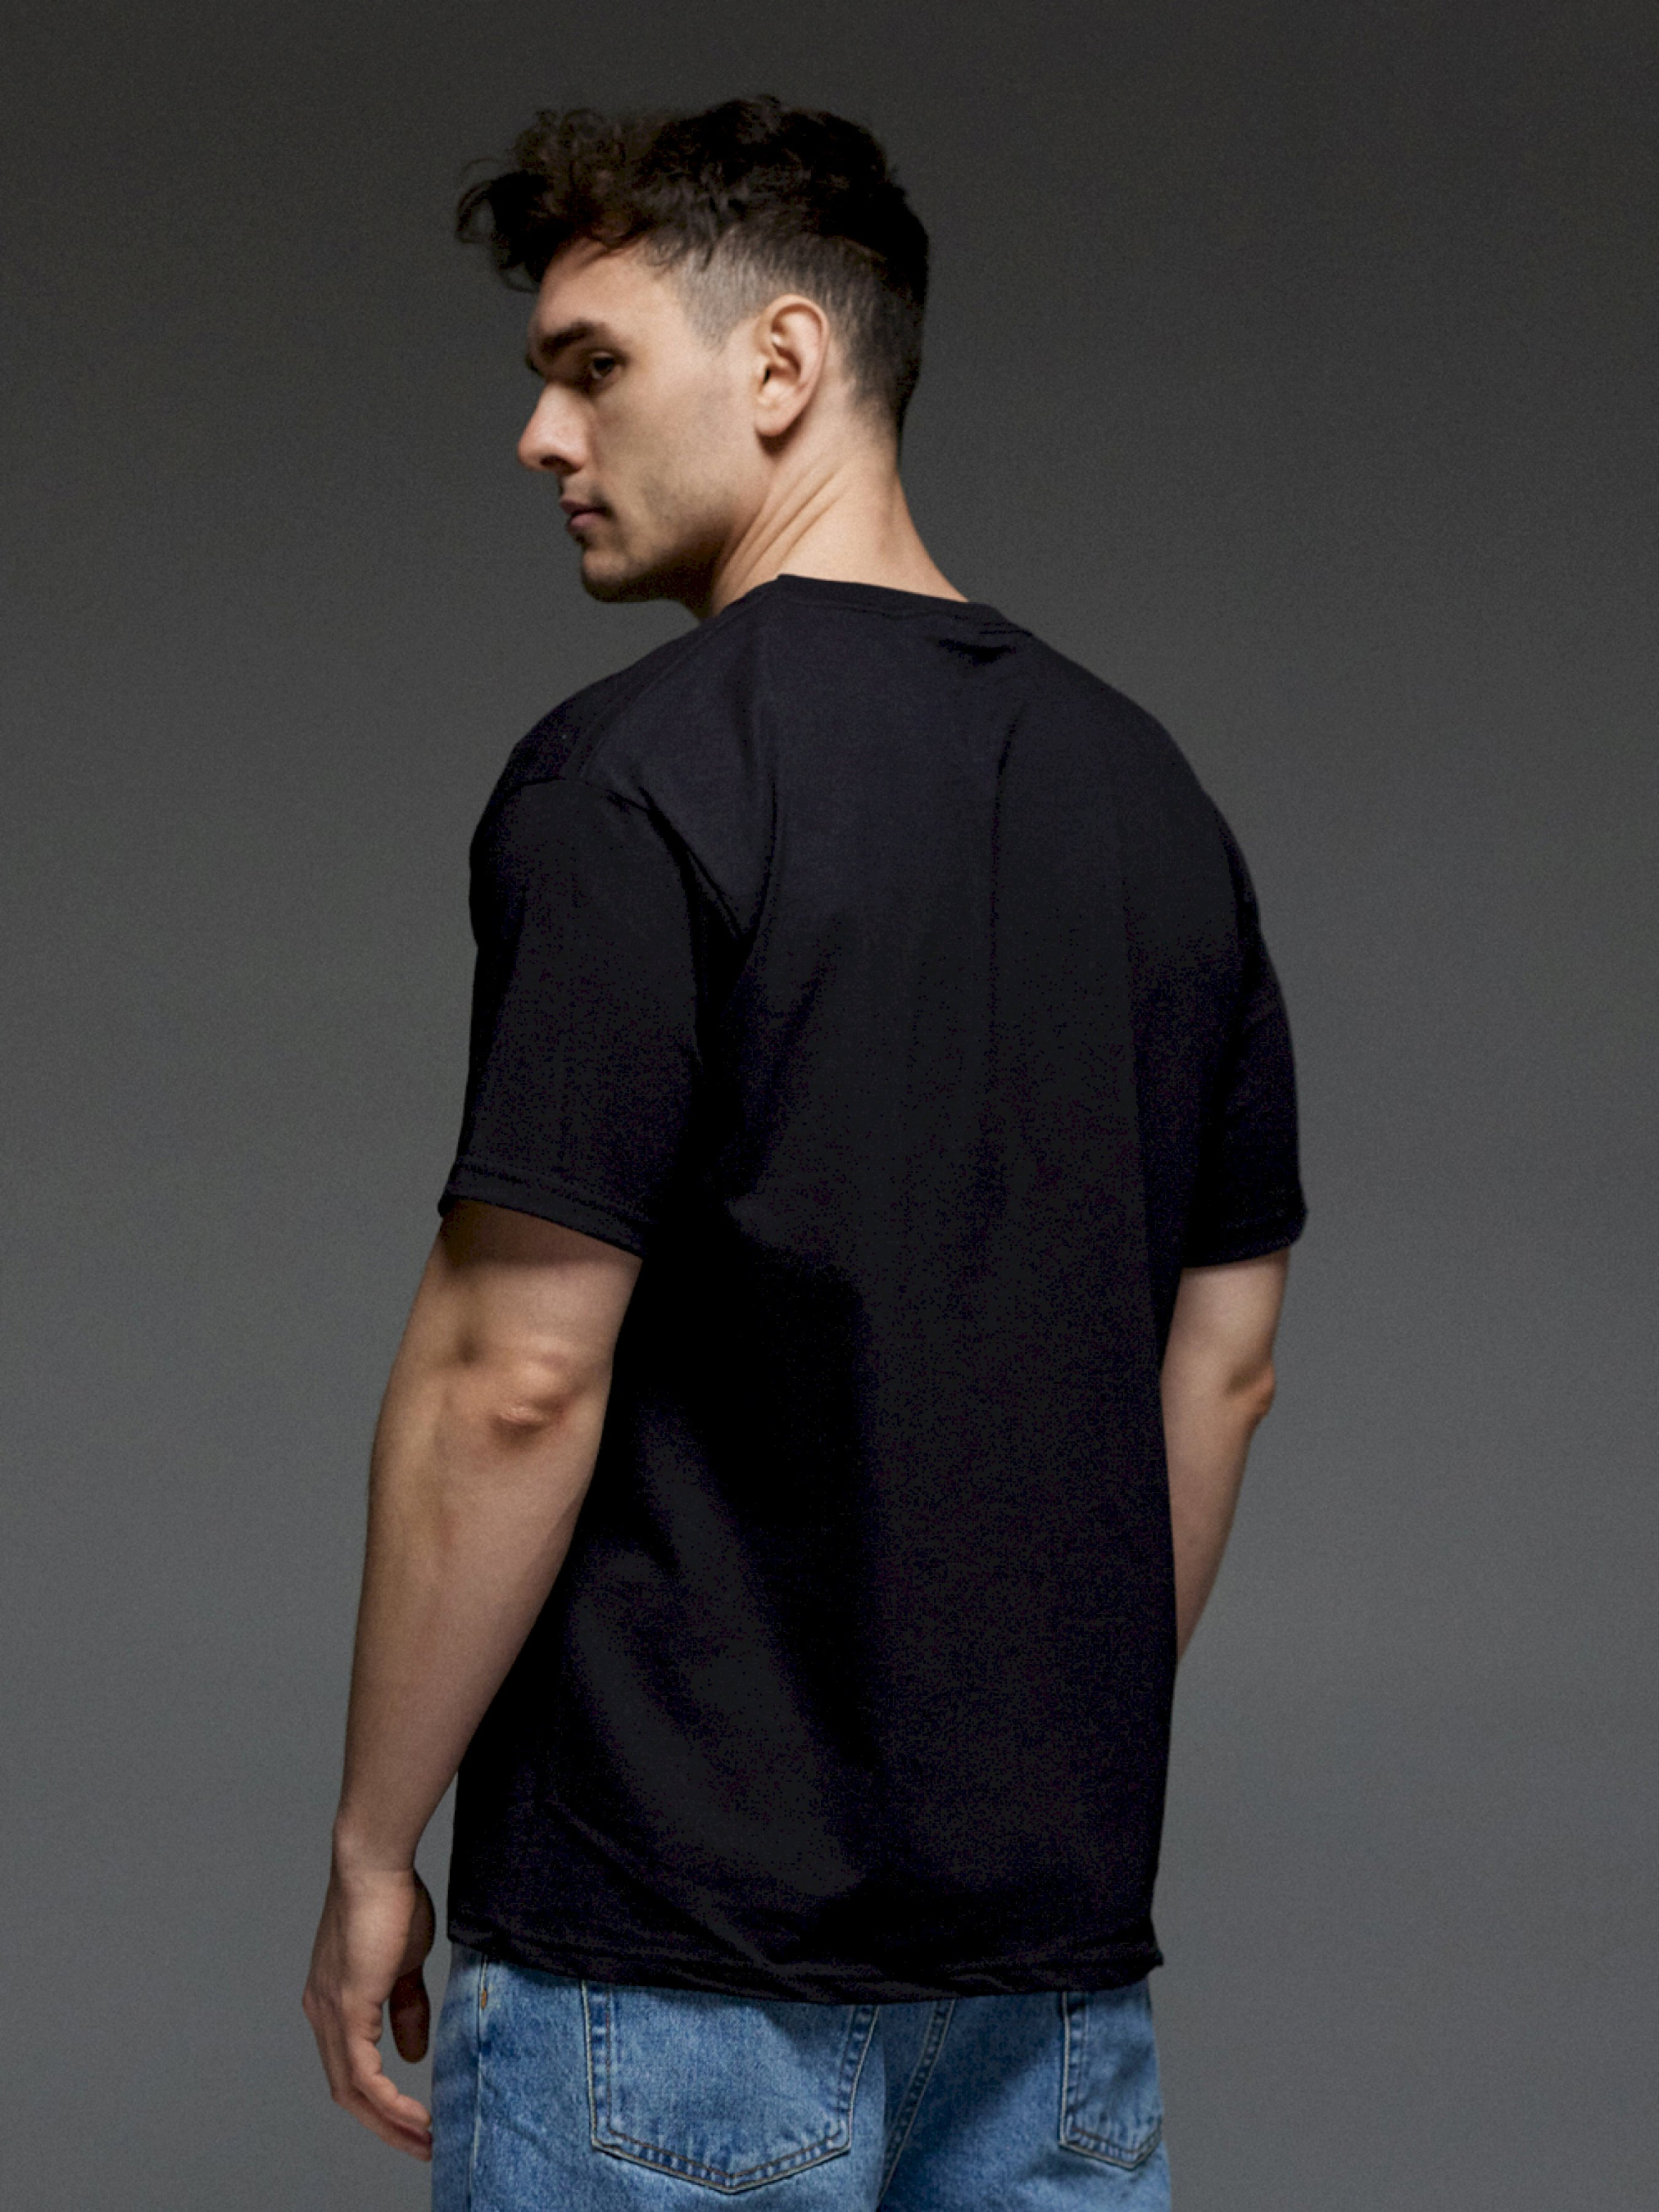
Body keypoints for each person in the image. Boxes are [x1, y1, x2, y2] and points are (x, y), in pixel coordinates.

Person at [302, 96, 1307, 2210]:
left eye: (593, 368)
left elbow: (515, 1375)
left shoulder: (636, 781)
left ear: (782, 363)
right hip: (1050, 1993)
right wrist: (1026, 1761)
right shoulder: (1155, 804)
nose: (541, 438)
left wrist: (375, 1844)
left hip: (662, 1973)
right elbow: (1223, 1370)